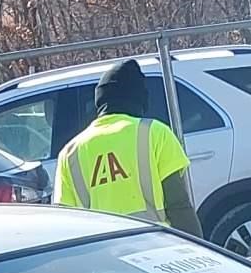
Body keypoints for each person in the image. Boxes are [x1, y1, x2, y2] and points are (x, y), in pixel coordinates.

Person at [52, 59, 201, 234]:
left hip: (103, 253)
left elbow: (66, 223)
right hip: (158, 246)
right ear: (139, 97)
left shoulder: (70, 152)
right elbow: (178, 205)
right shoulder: (155, 133)